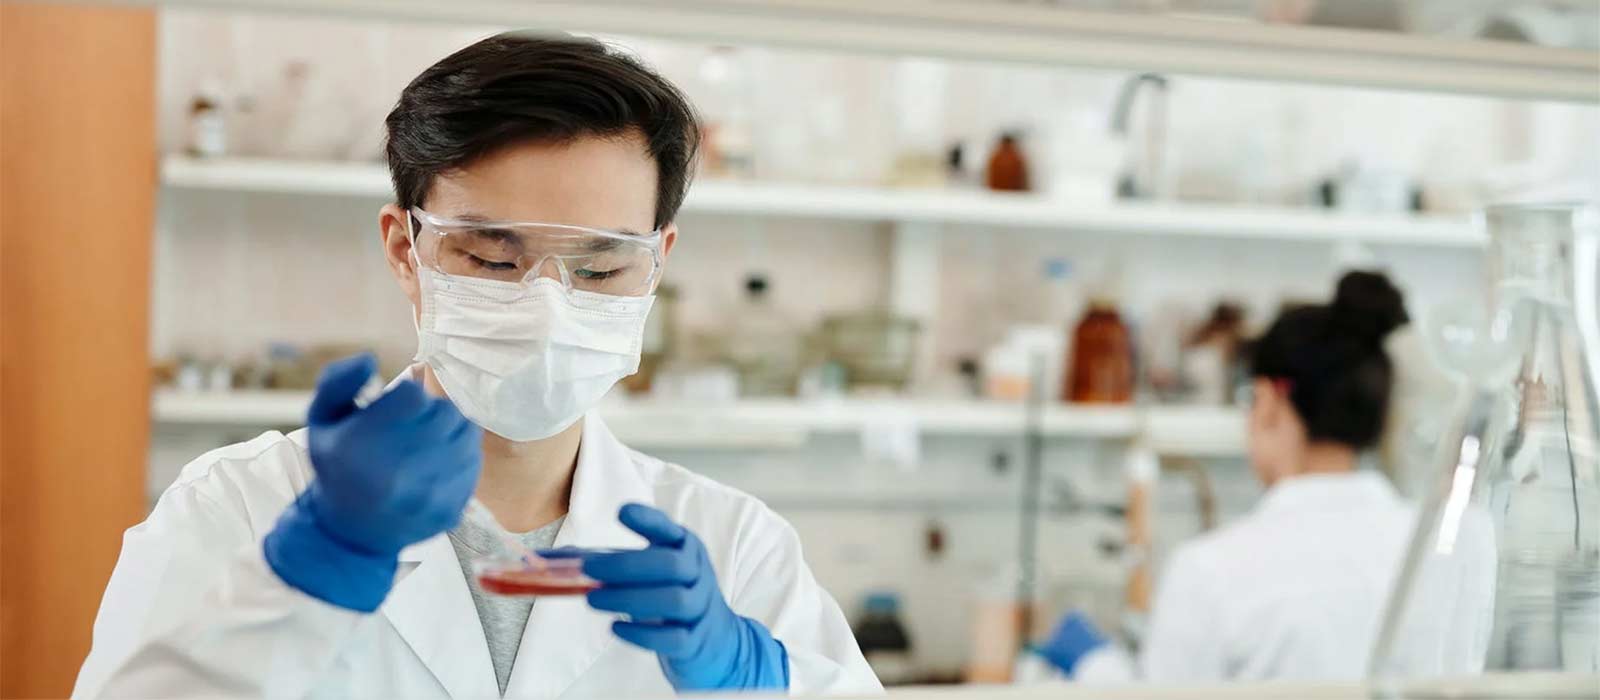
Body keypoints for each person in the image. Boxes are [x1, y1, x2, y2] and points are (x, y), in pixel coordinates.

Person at [73, 34, 880, 699]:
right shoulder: (240, 508)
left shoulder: (735, 550)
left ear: (658, 263)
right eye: (495, 259)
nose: (548, 307)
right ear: (405, 246)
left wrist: (755, 678)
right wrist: (309, 579)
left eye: (599, 270)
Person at [1037, 270, 1420, 684]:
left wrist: (1094, 666)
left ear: (1269, 401)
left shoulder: (1211, 570)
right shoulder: (1454, 547)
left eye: (1249, 400)